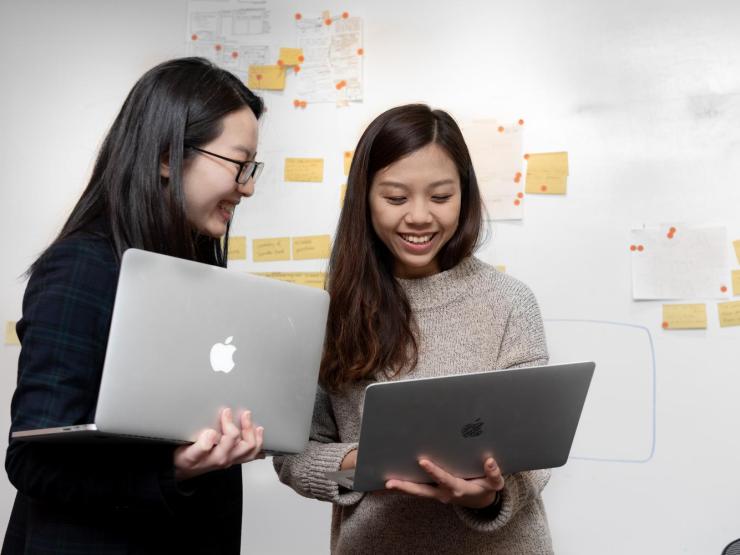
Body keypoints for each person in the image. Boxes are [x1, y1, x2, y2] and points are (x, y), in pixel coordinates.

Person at [4, 57, 267, 554]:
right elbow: (31, 461)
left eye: (252, 168)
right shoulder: (82, 266)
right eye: (238, 165)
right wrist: (173, 470)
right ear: (168, 156)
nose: (248, 186)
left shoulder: (190, 272)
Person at [274, 104, 553, 554]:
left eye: (441, 197)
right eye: (396, 198)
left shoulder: (509, 302)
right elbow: (293, 453)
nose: (420, 216)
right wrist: (365, 462)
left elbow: (536, 452)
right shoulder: (331, 312)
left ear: (465, 196)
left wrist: (491, 494)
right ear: (364, 199)